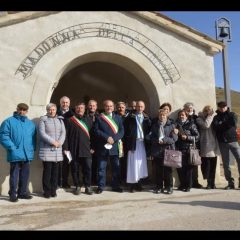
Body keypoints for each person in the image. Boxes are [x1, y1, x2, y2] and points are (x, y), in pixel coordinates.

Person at [0, 103, 36, 202]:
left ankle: (22, 193)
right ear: (17, 109)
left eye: (24, 110)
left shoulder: (30, 124)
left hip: (27, 154)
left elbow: (33, 138)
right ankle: (12, 194)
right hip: (15, 153)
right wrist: (12, 147)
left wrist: (32, 149)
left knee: (25, 174)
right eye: (20, 109)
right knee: (14, 175)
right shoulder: (8, 122)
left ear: (27, 111)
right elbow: (3, 136)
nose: (22, 111)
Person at [94, 100, 124, 194]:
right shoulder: (99, 118)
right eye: (107, 106)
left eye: (111, 106)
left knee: (116, 168)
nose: (109, 108)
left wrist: (114, 139)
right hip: (103, 147)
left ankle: (116, 186)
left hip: (115, 146)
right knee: (101, 168)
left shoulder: (118, 118)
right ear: (104, 106)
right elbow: (96, 131)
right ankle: (101, 186)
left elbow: (122, 131)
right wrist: (107, 138)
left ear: (113, 107)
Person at [64, 103, 94, 195]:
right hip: (74, 149)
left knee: (87, 169)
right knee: (75, 169)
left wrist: (93, 147)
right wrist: (66, 149)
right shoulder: (69, 121)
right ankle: (77, 186)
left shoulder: (89, 120)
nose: (79, 109)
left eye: (81, 108)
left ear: (84, 109)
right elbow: (66, 136)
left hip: (86, 149)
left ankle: (88, 186)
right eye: (77, 108)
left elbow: (93, 135)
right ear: (75, 109)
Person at [38, 103, 66, 198]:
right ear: (47, 110)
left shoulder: (60, 120)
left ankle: (53, 190)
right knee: (47, 172)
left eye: (53, 109)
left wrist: (59, 142)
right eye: (50, 109)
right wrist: (53, 142)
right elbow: (42, 133)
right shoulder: (43, 120)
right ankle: (46, 191)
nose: (52, 111)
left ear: (56, 110)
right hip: (47, 150)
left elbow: (63, 133)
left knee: (55, 173)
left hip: (57, 150)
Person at [124, 101, 151, 192]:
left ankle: (138, 183)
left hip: (142, 143)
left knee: (140, 164)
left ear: (144, 107)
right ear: (136, 107)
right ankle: (132, 185)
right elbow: (126, 130)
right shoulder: (130, 117)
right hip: (133, 143)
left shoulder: (146, 118)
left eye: (141, 106)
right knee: (132, 164)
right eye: (138, 106)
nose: (140, 108)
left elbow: (149, 130)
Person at [213, 101, 240, 189]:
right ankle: (230, 183)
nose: (222, 108)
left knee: (239, 159)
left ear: (226, 106)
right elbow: (216, 128)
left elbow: (232, 124)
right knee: (226, 163)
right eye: (220, 106)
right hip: (222, 142)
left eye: (224, 106)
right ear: (218, 108)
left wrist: (222, 125)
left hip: (233, 141)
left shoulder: (232, 114)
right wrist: (225, 125)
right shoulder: (216, 117)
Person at [150, 109, 178, 194]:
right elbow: (151, 137)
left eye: (164, 115)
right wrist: (157, 140)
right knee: (158, 170)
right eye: (160, 115)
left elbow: (174, 139)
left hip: (168, 150)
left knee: (168, 171)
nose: (162, 117)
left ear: (166, 116)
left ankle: (169, 187)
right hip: (157, 151)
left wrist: (164, 140)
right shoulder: (155, 126)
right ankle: (159, 187)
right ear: (158, 116)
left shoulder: (171, 126)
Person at [175, 109, 200, 192]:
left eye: (183, 115)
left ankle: (188, 185)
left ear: (186, 116)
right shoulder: (175, 125)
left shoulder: (191, 124)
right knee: (179, 168)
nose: (181, 116)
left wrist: (188, 137)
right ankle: (182, 184)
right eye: (180, 115)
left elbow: (197, 137)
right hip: (178, 148)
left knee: (188, 168)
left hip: (188, 149)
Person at [196, 105, 219, 189]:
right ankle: (208, 183)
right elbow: (206, 125)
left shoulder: (213, 118)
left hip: (214, 145)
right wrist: (210, 116)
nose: (209, 112)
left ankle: (212, 183)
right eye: (207, 110)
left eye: (211, 110)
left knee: (213, 165)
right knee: (206, 166)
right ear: (204, 111)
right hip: (205, 145)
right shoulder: (199, 119)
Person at [183, 102, 202, 189]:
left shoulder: (196, 117)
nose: (190, 109)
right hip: (186, 144)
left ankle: (195, 182)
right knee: (187, 164)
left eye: (191, 108)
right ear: (185, 109)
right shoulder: (183, 117)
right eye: (188, 108)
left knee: (195, 162)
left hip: (195, 143)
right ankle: (188, 183)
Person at [57, 96, 74, 188]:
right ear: (60, 103)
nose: (65, 104)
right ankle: (57, 182)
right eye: (63, 102)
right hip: (58, 141)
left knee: (66, 163)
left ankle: (65, 182)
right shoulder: (55, 113)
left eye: (67, 102)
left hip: (69, 141)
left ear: (69, 104)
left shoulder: (72, 114)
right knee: (57, 163)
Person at [115, 101, 129, 185]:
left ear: (125, 108)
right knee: (117, 162)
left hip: (126, 143)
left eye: (122, 107)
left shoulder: (129, 117)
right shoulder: (114, 117)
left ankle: (125, 179)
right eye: (119, 107)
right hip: (116, 142)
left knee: (125, 162)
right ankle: (118, 179)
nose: (121, 109)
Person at [86, 99, 99, 185]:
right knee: (87, 165)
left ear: (96, 107)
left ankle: (95, 180)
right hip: (87, 144)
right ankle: (88, 182)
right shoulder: (84, 117)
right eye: (90, 105)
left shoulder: (100, 117)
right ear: (88, 106)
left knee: (97, 165)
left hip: (98, 144)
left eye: (94, 105)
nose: (92, 107)